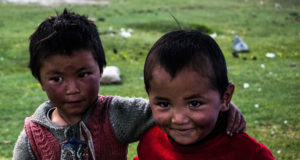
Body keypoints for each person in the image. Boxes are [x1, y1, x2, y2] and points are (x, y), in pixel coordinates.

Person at [13, 9, 245, 160]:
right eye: (57, 79)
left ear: (100, 71)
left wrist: (221, 108)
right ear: (40, 81)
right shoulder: (34, 135)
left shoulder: (116, 114)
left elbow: (170, 109)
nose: (72, 89)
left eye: (83, 74)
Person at [135, 30, 274, 160]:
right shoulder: (150, 141)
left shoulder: (247, 153)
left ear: (225, 98)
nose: (178, 119)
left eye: (194, 104)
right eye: (164, 104)